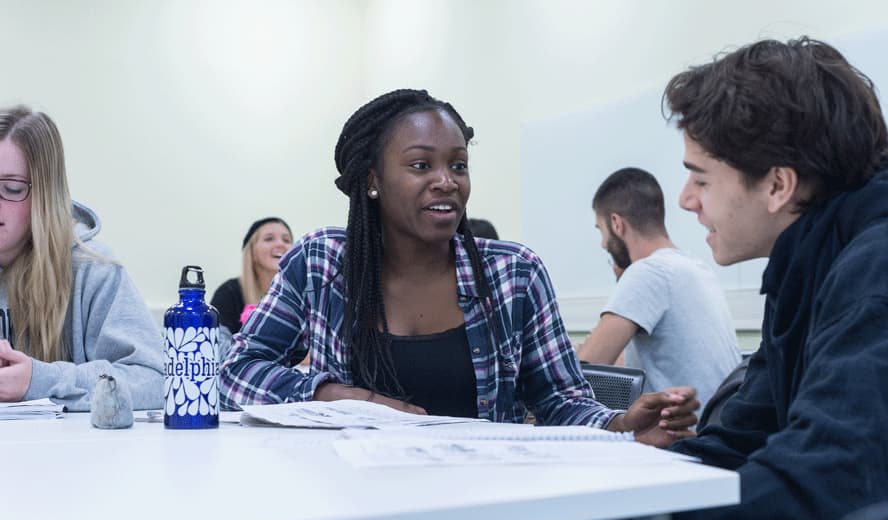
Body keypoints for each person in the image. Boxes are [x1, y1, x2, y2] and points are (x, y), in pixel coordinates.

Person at [220, 89, 698, 447]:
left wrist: (620, 425)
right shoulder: (321, 262)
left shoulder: (515, 274)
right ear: (372, 181)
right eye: (421, 165)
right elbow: (236, 373)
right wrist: (330, 395)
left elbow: (560, 401)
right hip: (347, 493)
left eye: (458, 165)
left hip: (481, 498)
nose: (446, 181)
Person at [663, 37, 888, 520]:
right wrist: (614, 490)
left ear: (778, 185)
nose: (686, 200)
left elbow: (823, 485)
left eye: (701, 180)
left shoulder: (885, 269)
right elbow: (737, 442)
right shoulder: (806, 260)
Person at [0, 105, 164, 411]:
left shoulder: (93, 270)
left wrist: (43, 381)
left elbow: (155, 380)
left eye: (11, 188)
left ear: (45, 197)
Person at [576, 167, 741, 412]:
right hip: (720, 423)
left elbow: (581, 374)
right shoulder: (695, 268)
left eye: (601, 230)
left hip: (687, 431)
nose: (603, 244)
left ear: (616, 224)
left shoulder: (648, 272)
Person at [211, 217, 294, 334]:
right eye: (269, 238)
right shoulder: (229, 293)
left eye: (286, 240)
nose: (281, 244)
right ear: (252, 252)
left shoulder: (303, 295)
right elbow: (219, 341)